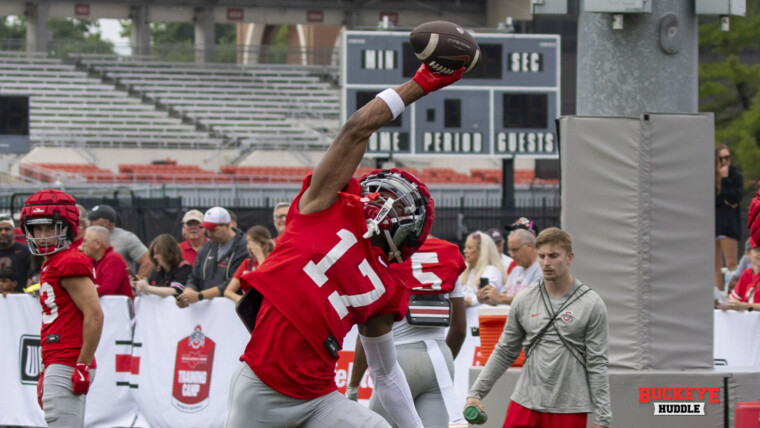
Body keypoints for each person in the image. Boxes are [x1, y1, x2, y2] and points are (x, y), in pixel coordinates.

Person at [225, 64, 462, 428]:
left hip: (319, 398)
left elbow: (386, 374)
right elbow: (357, 129)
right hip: (263, 388)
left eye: (399, 207)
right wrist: (421, 83)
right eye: (388, 198)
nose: (386, 208)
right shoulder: (321, 206)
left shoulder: (385, 287)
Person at [465, 227, 612, 428]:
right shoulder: (524, 299)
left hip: (569, 408)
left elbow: (597, 363)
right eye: (542, 256)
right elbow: (504, 351)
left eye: (553, 256)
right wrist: (475, 393)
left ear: (569, 257)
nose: (546, 262)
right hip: (525, 403)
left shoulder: (591, 304)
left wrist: (603, 418)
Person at [347, 236, 467, 427]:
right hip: (440, 359)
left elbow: (369, 330)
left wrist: (353, 385)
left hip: (398, 358)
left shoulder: (384, 254)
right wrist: (440, 363)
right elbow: (459, 329)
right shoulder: (450, 252)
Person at [21, 189, 104, 428]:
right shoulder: (54, 262)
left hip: (69, 358)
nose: (43, 235)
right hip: (58, 357)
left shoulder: (69, 261)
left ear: (67, 227)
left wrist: (82, 364)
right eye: (37, 229)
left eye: (50, 227)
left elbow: (95, 315)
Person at [175, 206, 248, 307]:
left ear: (227, 225)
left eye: (213, 230)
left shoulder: (244, 247)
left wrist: (200, 296)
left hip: (231, 311)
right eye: (207, 230)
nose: (209, 234)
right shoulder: (208, 247)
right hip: (209, 313)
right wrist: (188, 292)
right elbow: (194, 276)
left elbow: (233, 282)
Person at [479, 228, 542, 306]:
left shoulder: (542, 269)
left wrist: (499, 299)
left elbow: (531, 299)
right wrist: (487, 297)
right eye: (510, 251)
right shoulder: (516, 270)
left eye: (515, 250)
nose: (512, 255)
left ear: (529, 246)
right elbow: (503, 295)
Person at [88, 205, 152, 278]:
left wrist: (137, 283)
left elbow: (148, 260)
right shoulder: (88, 237)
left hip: (118, 287)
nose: (90, 222)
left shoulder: (125, 238)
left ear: (105, 222)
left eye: (93, 219)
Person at [715, 144, 743, 290]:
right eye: (721, 158)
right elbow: (714, 200)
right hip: (713, 225)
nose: (725, 161)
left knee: (731, 263)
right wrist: (723, 199)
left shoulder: (735, 175)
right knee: (715, 265)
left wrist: (725, 179)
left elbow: (734, 198)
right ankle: (717, 296)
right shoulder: (711, 175)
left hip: (729, 226)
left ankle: (732, 293)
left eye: (727, 157)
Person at [223, 225, 274, 304]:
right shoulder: (247, 263)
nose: (249, 247)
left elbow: (266, 282)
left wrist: (260, 256)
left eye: (253, 243)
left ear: (265, 244)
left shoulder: (273, 261)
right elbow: (228, 291)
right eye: (248, 242)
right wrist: (240, 299)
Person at [81, 226, 134, 299]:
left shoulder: (113, 259)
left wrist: (81, 293)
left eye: (85, 241)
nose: (82, 245)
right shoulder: (93, 260)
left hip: (118, 308)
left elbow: (108, 289)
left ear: (97, 244)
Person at [459, 231, 505, 307]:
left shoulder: (491, 271)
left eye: (469, 248)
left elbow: (487, 297)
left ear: (481, 251)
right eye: (465, 247)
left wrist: (468, 302)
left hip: (482, 317)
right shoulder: (465, 272)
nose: (465, 251)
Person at [0, 217, 31, 293]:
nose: (3, 232)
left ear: (13, 231)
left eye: (7, 229)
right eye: (0, 230)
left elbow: (32, 276)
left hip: (19, 299)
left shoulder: (26, 251)